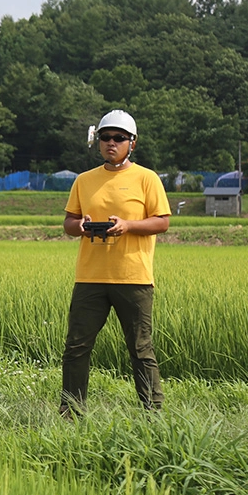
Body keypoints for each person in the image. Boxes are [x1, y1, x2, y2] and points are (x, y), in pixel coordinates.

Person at [60, 109, 171, 417]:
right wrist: (79, 226)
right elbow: (68, 222)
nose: (111, 143)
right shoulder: (84, 181)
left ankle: (153, 415)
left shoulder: (147, 179)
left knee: (140, 349)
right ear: (98, 142)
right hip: (90, 277)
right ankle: (71, 413)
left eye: (119, 138)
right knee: (76, 348)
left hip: (133, 277)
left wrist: (128, 226)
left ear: (132, 143)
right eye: (106, 138)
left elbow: (162, 222)